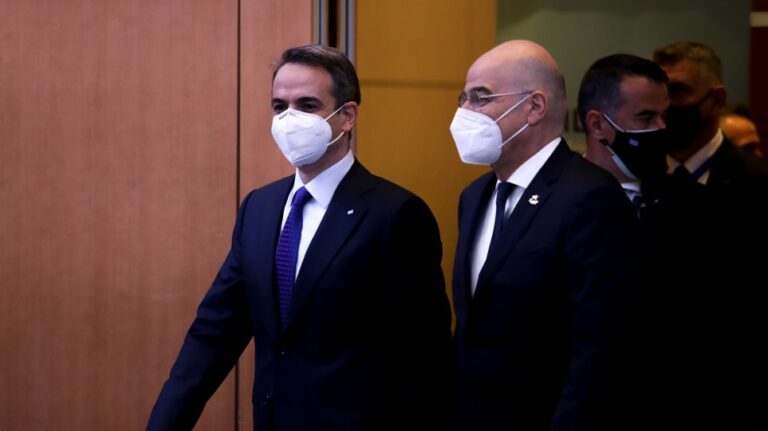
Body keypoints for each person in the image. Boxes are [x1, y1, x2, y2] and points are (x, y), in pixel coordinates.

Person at [147, 44, 453, 431]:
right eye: (280, 106)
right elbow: (215, 331)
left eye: (307, 105)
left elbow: (426, 355)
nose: (290, 119)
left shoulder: (395, 214)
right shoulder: (259, 208)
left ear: (347, 116)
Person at [448, 40, 641, 430]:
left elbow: (598, 347)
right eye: (463, 98)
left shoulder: (590, 196)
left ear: (534, 107)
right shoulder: (475, 196)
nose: (465, 112)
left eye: (481, 98)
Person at [651, 40, 768, 429]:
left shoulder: (757, 183)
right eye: (661, 93)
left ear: (715, 99)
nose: (667, 106)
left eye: (679, 91)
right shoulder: (633, 180)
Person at [578, 53, 670, 209]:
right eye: (646, 118)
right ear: (597, 125)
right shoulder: (555, 200)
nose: (662, 127)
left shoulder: (691, 202)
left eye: (664, 116)